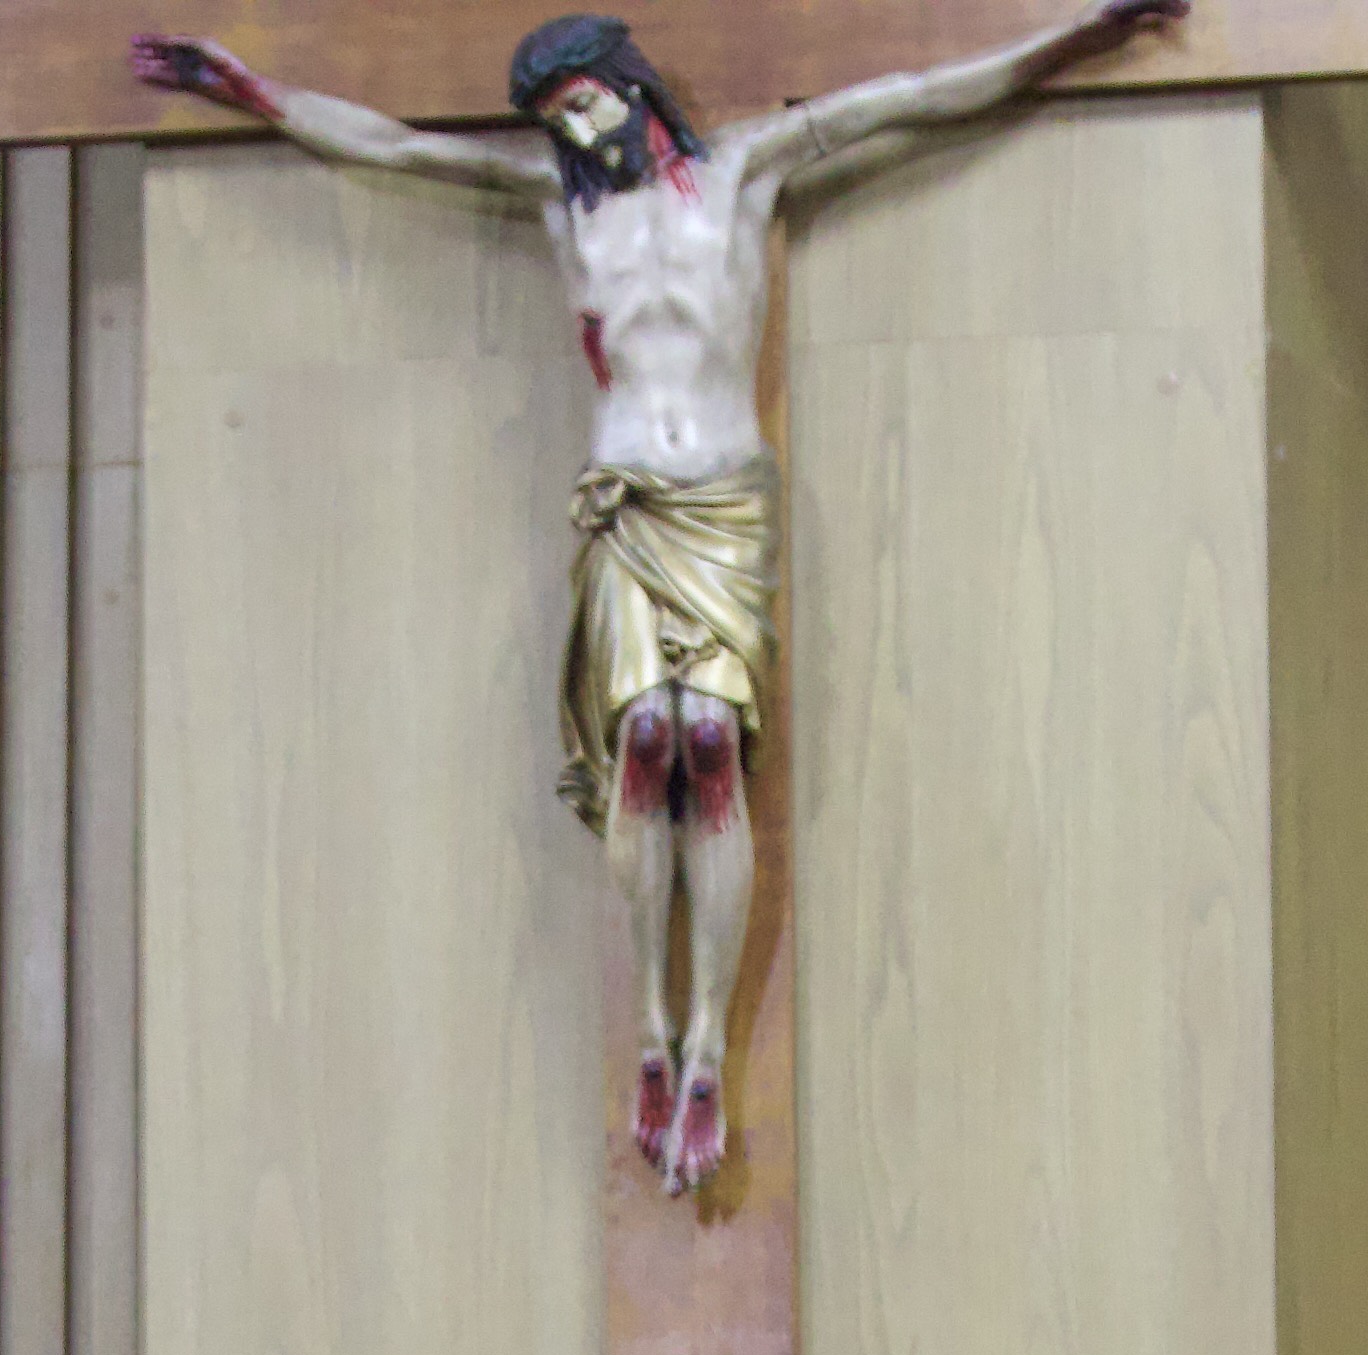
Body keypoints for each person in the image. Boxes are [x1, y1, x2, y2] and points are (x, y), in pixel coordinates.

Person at [124, 3, 1179, 1192]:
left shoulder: (747, 170)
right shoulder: (557, 204)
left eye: (585, 99)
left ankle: (710, 1041)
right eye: (556, 115)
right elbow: (400, 149)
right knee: (645, 747)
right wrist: (255, 93)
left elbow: (919, 98)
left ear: (630, 85)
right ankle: (651, 1022)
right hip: (626, 496)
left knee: (713, 745)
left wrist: (1077, 39)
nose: (575, 126)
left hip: (721, 502)